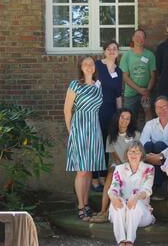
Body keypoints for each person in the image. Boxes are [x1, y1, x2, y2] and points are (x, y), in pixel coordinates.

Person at [64, 56, 106, 221]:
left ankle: (87, 203)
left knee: (89, 170)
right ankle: (80, 206)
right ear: (81, 67)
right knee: (81, 171)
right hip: (79, 128)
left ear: (95, 68)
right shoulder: (75, 84)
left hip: (94, 129)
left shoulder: (98, 86)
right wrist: (71, 132)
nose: (89, 66)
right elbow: (67, 111)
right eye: (85, 64)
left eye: (91, 64)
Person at [90, 109, 140, 223]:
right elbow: (115, 157)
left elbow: (138, 154)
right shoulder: (111, 137)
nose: (125, 120)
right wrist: (120, 168)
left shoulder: (136, 135)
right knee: (111, 174)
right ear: (117, 118)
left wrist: (127, 167)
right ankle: (103, 210)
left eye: (128, 118)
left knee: (117, 174)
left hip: (133, 164)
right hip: (118, 164)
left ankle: (107, 212)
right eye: (122, 117)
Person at [108, 141, 155, 246]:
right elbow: (113, 187)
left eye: (137, 152)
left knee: (135, 204)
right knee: (118, 201)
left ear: (142, 154)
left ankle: (129, 241)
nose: (134, 154)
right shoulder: (119, 169)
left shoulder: (149, 169)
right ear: (126, 154)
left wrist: (135, 197)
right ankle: (121, 241)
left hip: (141, 214)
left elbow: (147, 190)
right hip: (121, 215)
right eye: (131, 151)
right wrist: (113, 197)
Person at [92, 40, 123, 192]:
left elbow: (118, 95)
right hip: (97, 109)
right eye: (109, 49)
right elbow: (90, 86)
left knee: (106, 145)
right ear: (104, 51)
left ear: (118, 52)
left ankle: (103, 175)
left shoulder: (119, 71)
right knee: (96, 144)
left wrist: (120, 114)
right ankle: (94, 177)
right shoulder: (97, 66)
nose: (112, 51)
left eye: (114, 49)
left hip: (111, 111)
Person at [141, 96, 168, 196]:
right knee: (148, 145)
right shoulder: (150, 124)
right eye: (158, 107)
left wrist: (161, 155)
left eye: (164, 107)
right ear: (155, 109)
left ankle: (158, 185)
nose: (161, 110)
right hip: (152, 158)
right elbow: (142, 143)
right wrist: (149, 157)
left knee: (159, 145)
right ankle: (154, 184)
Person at [120, 28, 156, 123]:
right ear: (132, 38)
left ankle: (150, 137)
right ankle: (131, 137)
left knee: (149, 116)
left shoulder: (150, 55)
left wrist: (147, 91)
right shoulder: (126, 55)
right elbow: (125, 76)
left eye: (142, 37)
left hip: (146, 93)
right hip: (130, 94)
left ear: (145, 39)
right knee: (129, 119)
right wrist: (139, 89)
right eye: (137, 36)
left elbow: (153, 76)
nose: (139, 38)